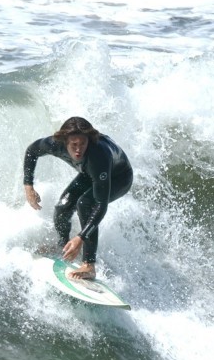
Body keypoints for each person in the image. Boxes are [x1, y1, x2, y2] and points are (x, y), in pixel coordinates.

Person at [23, 117, 133, 280]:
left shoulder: (98, 155)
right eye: (73, 145)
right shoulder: (54, 144)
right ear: (64, 142)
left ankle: (89, 265)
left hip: (119, 177)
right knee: (63, 207)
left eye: (83, 144)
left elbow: (101, 205)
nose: (78, 150)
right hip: (90, 173)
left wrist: (81, 237)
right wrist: (28, 186)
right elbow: (32, 151)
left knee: (85, 204)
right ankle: (63, 245)